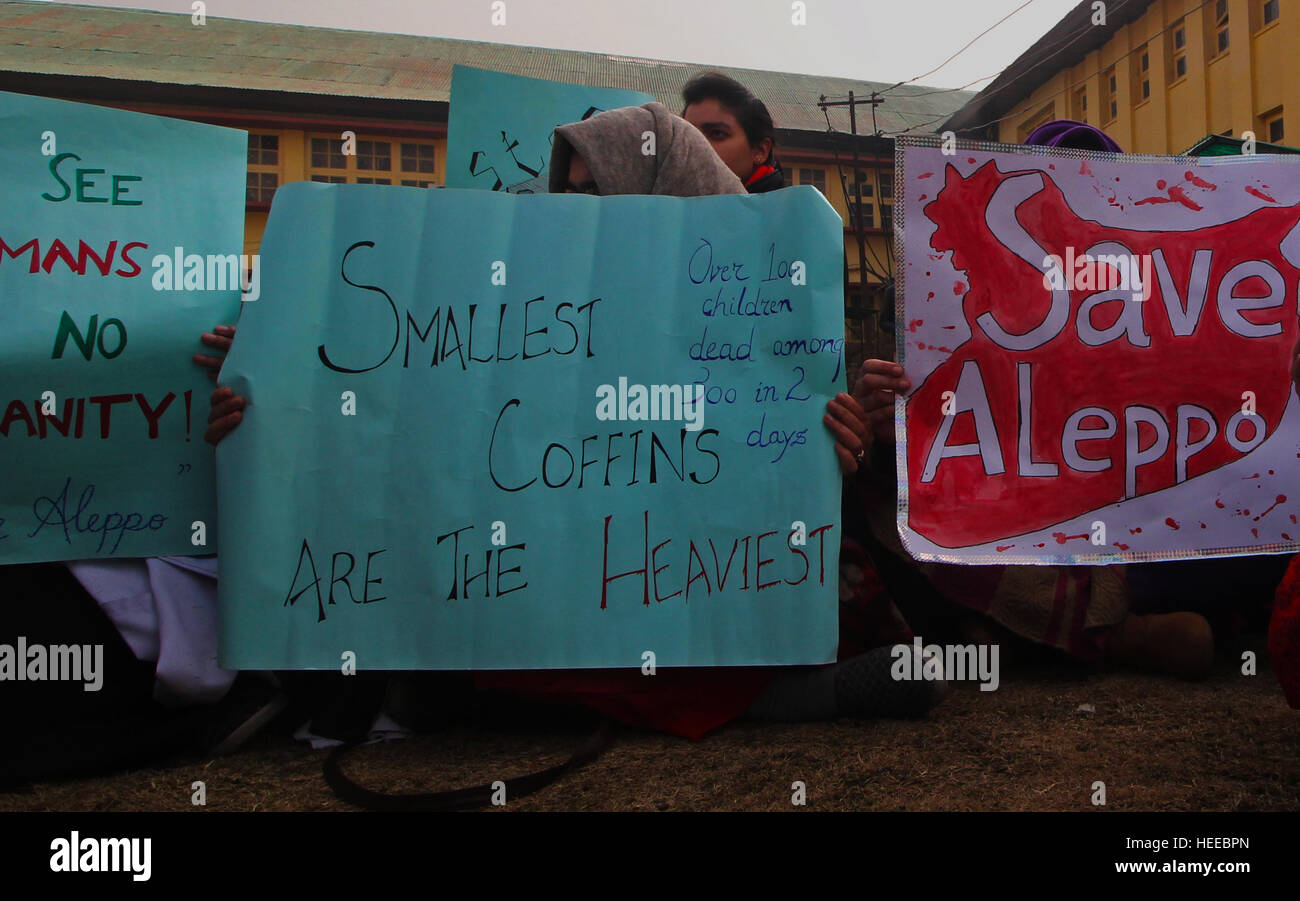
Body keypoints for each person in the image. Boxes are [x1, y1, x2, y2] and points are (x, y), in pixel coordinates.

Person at [208, 102, 945, 740]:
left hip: (710, 587)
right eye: (574, 192)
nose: (586, 211)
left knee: (758, 631)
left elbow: (789, 468)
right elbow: (402, 418)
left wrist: (832, 446)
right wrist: (276, 391)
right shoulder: (528, 318)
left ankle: (783, 693)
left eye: (606, 190)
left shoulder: (761, 315)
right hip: (564, 593)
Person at [681, 72, 785, 193]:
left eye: (716, 133)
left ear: (760, 150)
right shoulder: (666, 206)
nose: (695, 146)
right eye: (687, 135)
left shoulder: (795, 210)